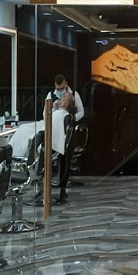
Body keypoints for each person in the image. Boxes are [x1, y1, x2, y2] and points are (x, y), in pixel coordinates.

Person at [45, 74, 84, 204]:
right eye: (58, 88)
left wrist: (70, 120)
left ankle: (63, 188)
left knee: (65, 159)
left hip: (67, 131)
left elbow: (81, 112)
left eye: (62, 88)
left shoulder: (73, 95)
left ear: (66, 83)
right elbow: (45, 115)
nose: (60, 91)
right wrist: (54, 108)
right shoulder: (50, 96)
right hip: (53, 129)